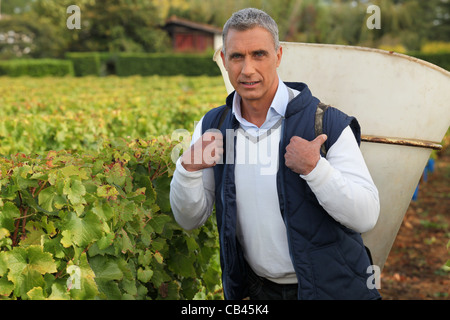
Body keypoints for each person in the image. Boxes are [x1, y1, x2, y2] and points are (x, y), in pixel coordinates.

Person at [170, 8, 381, 300]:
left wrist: (315, 169)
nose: (247, 70)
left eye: (259, 54)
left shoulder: (327, 123)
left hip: (334, 290)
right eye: (237, 57)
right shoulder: (212, 127)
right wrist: (187, 169)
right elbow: (188, 219)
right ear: (223, 60)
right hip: (259, 292)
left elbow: (366, 216)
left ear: (279, 56)